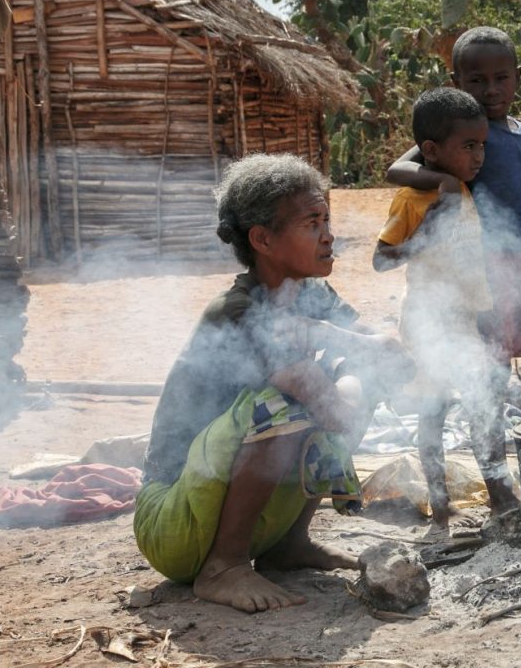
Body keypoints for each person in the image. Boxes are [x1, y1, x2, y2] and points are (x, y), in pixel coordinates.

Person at [135, 154, 408, 614]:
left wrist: (326, 335)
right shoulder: (237, 311)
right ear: (262, 239)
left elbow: (394, 355)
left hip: (241, 517)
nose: (328, 235)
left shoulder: (311, 296)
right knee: (292, 400)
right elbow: (332, 406)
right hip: (176, 524)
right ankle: (223, 567)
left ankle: (287, 546)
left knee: (347, 380)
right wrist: (356, 378)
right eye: (312, 222)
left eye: (327, 219)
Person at [386, 27, 521, 407]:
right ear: (456, 83)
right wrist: (442, 178)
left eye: (500, 78)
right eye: (477, 80)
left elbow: (516, 191)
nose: (490, 89)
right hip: (483, 266)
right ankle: (492, 441)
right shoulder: (462, 133)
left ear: (518, 78)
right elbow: (397, 169)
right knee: (497, 362)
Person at [374, 87, 519, 524]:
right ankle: (441, 501)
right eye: (468, 146)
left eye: (482, 146)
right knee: (434, 408)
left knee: (484, 403)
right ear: (433, 151)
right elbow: (382, 259)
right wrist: (423, 237)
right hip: (428, 322)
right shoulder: (413, 200)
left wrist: (488, 310)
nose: (478, 156)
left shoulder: (459, 188)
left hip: (465, 319)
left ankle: (500, 494)